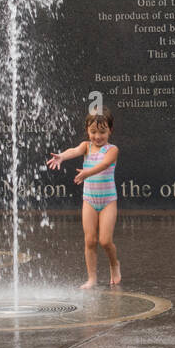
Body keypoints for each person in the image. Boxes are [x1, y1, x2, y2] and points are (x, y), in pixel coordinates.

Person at [48, 112, 120, 288]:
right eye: (93, 132)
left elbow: (103, 165)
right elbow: (74, 151)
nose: (97, 136)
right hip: (89, 200)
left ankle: (114, 264)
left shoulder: (112, 150)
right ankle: (92, 278)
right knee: (90, 240)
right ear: (88, 131)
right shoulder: (86, 147)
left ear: (110, 131)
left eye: (102, 132)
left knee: (105, 241)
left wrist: (87, 172)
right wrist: (62, 157)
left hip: (108, 201)